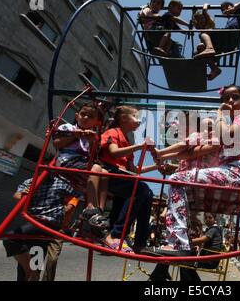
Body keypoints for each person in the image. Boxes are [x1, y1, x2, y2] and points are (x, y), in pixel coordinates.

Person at [144, 84, 240, 257]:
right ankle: (172, 257)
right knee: (180, 191)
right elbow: (190, 151)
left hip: (237, 172)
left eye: (235, 97)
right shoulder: (227, 128)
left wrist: (220, 114)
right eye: (225, 98)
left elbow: (221, 137)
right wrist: (164, 157)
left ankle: (178, 244)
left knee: (176, 180)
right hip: (230, 171)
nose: (229, 101)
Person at [99, 106, 158, 253]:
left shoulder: (127, 140)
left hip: (122, 174)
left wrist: (157, 166)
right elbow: (114, 153)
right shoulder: (113, 132)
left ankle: (140, 242)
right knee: (141, 188)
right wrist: (140, 146)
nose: (139, 121)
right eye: (136, 117)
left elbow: (134, 169)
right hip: (109, 171)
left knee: (147, 192)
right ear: (124, 118)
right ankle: (115, 235)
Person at [3, 177, 79, 281]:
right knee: (32, 253)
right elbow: (17, 195)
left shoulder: (62, 182)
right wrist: (25, 195)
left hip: (55, 226)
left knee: (52, 259)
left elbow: (71, 204)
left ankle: (35, 274)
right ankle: (32, 274)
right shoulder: (30, 182)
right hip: (33, 223)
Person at [52, 103, 110, 236]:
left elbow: (92, 156)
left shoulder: (92, 136)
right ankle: (91, 208)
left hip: (81, 165)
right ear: (77, 116)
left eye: (90, 117)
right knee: (96, 168)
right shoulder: (68, 127)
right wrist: (74, 135)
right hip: (66, 162)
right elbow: (57, 143)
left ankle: (98, 209)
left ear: (96, 122)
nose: (85, 118)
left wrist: (92, 142)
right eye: (83, 114)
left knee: (105, 173)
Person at [149, 212, 223, 281]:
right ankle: (162, 273)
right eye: (206, 218)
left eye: (210, 218)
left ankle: (159, 274)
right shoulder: (211, 229)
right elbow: (201, 242)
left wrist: (185, 242)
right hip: (209, 258)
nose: (207, 220)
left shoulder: (213, 229)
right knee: (181, 257)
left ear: (215, 219)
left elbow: (202, 239)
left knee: (184, 261)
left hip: (209, 260)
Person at [41, 195, 79, 281]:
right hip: (44, 225)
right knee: (38, 257)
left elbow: (66, 210)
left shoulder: (73, 196)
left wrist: (48, 207)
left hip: (59, 229)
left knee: (52, 259)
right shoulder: (53, 191)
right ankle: (33, 278)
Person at [192, 4, 222, 81]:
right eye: (198, 20)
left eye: (202, 18)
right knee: (199, 47)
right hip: (210, 55)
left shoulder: (210, 23)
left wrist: (205, 5)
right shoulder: (200, 28)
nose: (200, 21)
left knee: (203, 33)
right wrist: (193, 12)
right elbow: (194, 22)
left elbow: (204, 11)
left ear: (206, 18)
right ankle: (215, 69)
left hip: (216, 48)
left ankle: (209, 48)